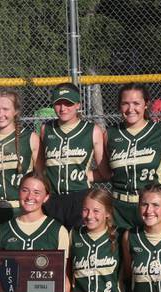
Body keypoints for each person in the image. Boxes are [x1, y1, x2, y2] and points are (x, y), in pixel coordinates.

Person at [36, 82, 108, 230]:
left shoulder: (92, 130)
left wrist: (84, 176)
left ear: (78, 105)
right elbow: (40, 169)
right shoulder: (46, 129)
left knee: (78, 242)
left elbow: (104, 173)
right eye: (58, 104)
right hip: (52, 198)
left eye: (68, 103)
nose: (63, 108)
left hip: (80, 198)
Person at [105, 83, 161, 231]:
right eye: (125, 104)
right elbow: (105, 171)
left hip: (150, 208)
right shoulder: (110, 134)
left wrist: (158, 179)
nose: (131, 109)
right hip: (119, 208)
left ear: (146, 104)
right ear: (119, 106)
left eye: (136, 103)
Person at [0, 89, 39, 229]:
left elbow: (41, 178)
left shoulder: (30, 138)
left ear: (16, 111)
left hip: (19, 210)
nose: (0, 114)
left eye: (6, 109)